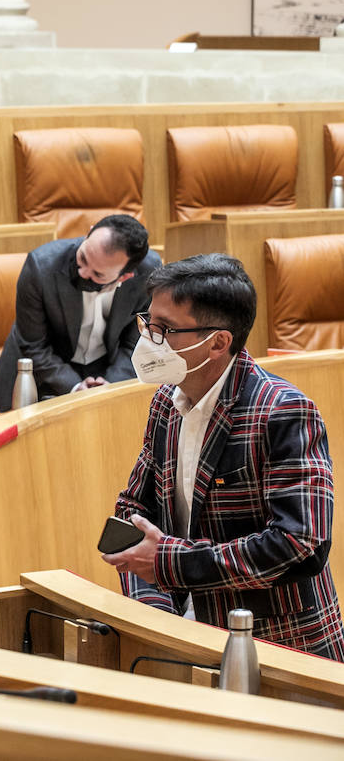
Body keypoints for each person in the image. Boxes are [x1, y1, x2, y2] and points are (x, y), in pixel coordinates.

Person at [103, 254, 343, 660]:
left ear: (217, 342)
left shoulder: (282, 411)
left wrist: (170, 564)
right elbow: (134, 510)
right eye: (149, 323)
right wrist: (156, 611)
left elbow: (301, 544)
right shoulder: (166, 400)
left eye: (166, 329)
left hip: (281, 645)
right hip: (190, 633)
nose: (149, 339)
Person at [0, 214, 160, 411]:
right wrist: (74, 386)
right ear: (88, 233)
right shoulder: (40, 267)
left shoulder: (148, 273)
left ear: (124, 276)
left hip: (105, 371)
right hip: (40, 377)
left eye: (97, 274)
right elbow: (34, 345)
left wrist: (111, 385)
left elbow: (136, 343)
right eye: (83, 257)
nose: (83, 272)